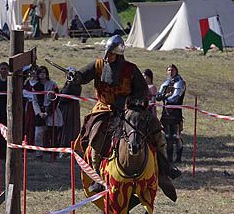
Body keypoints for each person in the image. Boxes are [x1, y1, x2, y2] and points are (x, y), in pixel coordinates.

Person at [73, 35, 177, 198]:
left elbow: (142, 91)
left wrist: (128, 101)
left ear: (119, 54)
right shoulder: (99, 64)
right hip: (104, 108)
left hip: (128, 109)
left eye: (111, 54)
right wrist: (75, 76)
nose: (108, 57)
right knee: (95, 136)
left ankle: (164, 170)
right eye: (107, 53)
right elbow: (83, 76)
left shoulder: (131, 69)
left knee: (156, 131)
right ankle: (97, 178)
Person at [156, 64, 185, 164]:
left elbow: (174, 98)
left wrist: (164, 96)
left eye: (172, 70)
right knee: (167, 136)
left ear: (176, 71)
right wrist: (164, 95)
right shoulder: (166, 82)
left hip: (176, 113)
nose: (170, 72)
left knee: (176, 136)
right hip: (166, 113)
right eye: (168, 70)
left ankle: (178, 158)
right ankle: (169, 158)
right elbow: (158, 96)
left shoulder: (180, 82)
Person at [32, 66, 63, 159]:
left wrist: (48, 112)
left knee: (53, 135)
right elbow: (34, 101)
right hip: (40, 113)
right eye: (40, 73)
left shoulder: (53, 84)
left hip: (52, 112)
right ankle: (39, 154)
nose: (42, 75)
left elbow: (56, 99)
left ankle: (54, 155)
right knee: (38, 135)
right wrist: (39, 113)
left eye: (44, 72)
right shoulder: (36, 86)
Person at [59, 67, 81, 149]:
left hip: (71, 108)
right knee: (64, 126)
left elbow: (65, 95)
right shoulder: (68, 83)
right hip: (65, 108)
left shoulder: (76, 85)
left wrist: (70, 83)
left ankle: (70, 145)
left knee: (70, 127)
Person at [23, 66, 38, 145]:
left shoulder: (39, 83)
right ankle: (28, 141)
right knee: (28, 122)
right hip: (29, 105)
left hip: (36, 105)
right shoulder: (27, 82)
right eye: (31, 72)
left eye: (34, 72)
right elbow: (24, 93)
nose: (32, 74)